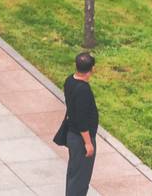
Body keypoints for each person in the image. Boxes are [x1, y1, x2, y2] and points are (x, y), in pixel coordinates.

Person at [60, 52, 98, 196]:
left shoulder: (70, 80)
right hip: (81, 139)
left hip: (73, 136)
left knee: (74, 174)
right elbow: (82, 121)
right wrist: (88, 143)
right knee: (80, 180)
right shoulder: (83, 90)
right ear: (91, 69)